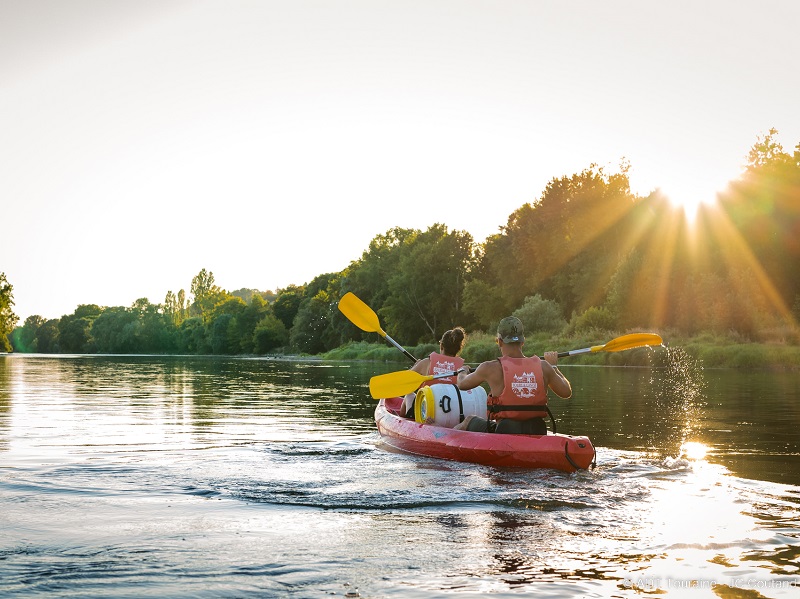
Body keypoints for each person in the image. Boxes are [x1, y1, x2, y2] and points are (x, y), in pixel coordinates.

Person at [455, 316, 571, 434]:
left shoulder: (490, 367)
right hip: (537, 431)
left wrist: (462, 371)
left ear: (499, 342)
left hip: (504, 433)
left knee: (468, 421)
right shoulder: (545, 367)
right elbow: (566, 392)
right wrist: (554, 367)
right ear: (523, 341)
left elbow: (462, 384)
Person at [399, 327, 467, 418]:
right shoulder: (463, 370)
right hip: (449, 413)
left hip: (424, 414)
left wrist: (416, 366)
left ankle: (403, 420)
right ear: (459, 349)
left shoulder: (426, 363)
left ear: (441, 346)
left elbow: (404, 381)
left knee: (409, 395)